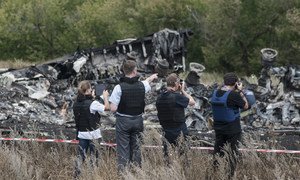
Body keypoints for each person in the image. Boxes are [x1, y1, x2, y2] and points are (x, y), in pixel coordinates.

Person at [109, 60, 158, 171]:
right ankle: (137, 172)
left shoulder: (118, 87)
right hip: (138, 121)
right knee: (136, 148)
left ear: (123, 71)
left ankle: (124, 173)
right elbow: (147, 81)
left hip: (123, 121)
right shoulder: (142, 85)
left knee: (123, 149)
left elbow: (113, 108)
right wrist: (152, 77)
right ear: (135, 71)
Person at [210, 72, 248, 177]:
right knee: (232, 154)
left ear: (224, 82)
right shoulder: (234, 95)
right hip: (232, 129)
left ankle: (214, 174)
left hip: (218, 128)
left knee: (218, 152)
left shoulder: (215, 93)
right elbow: (245, 106)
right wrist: (240, 91)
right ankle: (229, 175)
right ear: (235, 83)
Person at [72, 80, 110, 177]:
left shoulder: (76, 103)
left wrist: (93, 98)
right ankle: (92, 176)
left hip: (81, 134)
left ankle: (77, 176)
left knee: (80, 157)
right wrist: (105, 97)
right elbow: (107, 108)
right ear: (89, 89)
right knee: (94, 158)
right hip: (94, 135)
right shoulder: (92, 103)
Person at [156, 73, 195, 161]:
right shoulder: (177, 97)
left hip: (166, 132)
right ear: (177, 84)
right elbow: (192, 102)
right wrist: (183, 91)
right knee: (184, 158)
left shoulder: (159, 98)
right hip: (179, 131)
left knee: (168, 159)